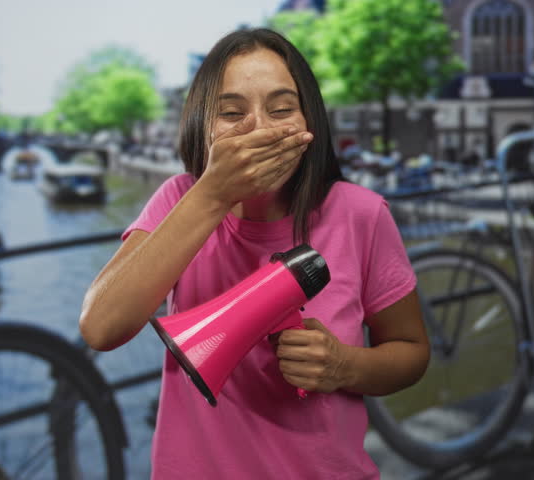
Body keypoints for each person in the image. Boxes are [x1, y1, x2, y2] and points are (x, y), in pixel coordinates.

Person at [79, 28, 429, 479]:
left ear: (310, 123)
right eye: (231, 113)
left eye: (281, 109)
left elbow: (412, 352)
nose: (260, 128)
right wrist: (212, 196)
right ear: (203, 126)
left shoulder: (361, 214)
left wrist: (345, 365)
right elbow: (101, 327)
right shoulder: (179, 200)